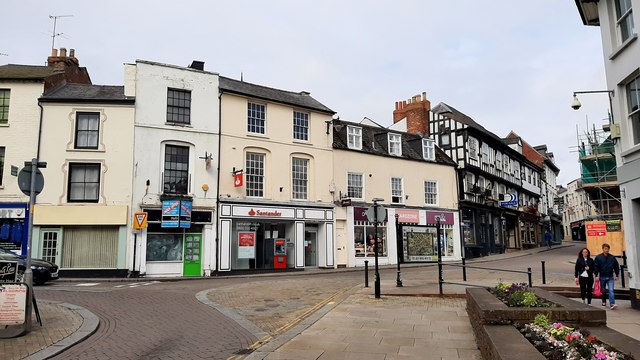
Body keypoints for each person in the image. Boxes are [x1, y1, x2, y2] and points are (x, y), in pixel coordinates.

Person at [594, 243, 620, 310]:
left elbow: (616, 266)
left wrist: (617, 274)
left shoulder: (612, 257)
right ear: (602, 249)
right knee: (603, 290)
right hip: (602, 276)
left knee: (611, 290)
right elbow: (596, 267)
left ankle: (612, 303)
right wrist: (596, 275)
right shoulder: (598, 257)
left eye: (607, 249)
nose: (606, 250)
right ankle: (604, 301)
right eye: (605, 248)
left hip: (610, 276)